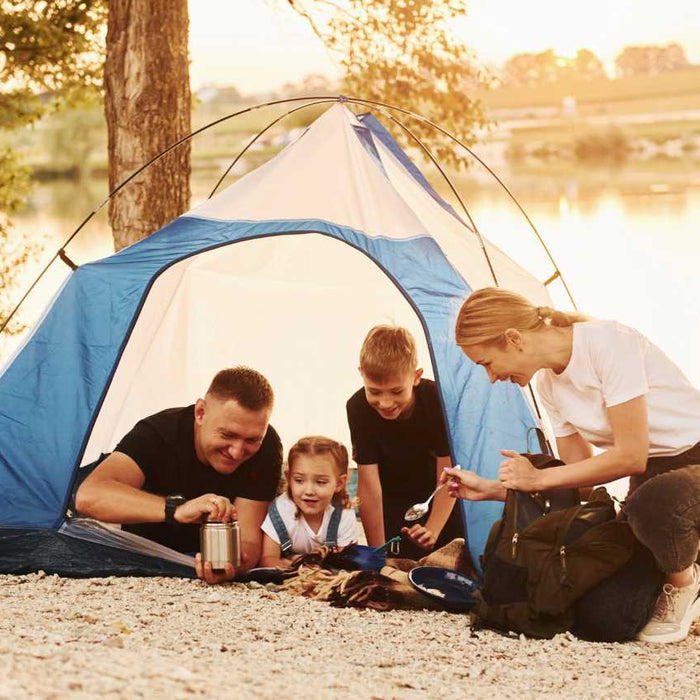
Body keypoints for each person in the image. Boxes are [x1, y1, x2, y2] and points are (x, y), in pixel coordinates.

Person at [446, 287, 700, 644]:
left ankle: (684, 583)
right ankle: (684, 551)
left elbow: (630, 455)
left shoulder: (609, 343)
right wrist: (494, 489)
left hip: (691, 464)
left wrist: (539, 476)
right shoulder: (549, 386)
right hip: (652, 484)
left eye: (487, 363)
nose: (491, 377)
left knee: (656, 503)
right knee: (604, 619)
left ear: (514, 338)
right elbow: (578, 483)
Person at [75, 366, 283, 585]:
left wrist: (234, 565)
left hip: (201, 560)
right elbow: (88, 496)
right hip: (145, 548)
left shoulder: (267, 446)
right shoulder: (158, 432)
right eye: (227, 435)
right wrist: (177, 510)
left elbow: (249, 541)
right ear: (200, 412)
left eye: (252, 440)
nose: (237, 452)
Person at [346, 325, 461, 560]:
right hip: (393, 498)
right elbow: (369, 487)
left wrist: (433, 529)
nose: (386, 403)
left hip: (439, 497)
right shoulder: (357, 407)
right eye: (374, 392)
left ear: (416, 377)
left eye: (396, 391)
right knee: (394, 557)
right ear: (361, 374)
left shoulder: (437, 400)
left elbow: (449, 474)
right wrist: (378, 554)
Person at [259, 436, 357, 568]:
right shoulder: (281, 510)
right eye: (299, 480)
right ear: (288, 478)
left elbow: (348, 563)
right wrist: (301, 568)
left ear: (339, 483)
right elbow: (268, 559)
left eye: (320, 482)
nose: (309, 491)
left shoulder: (343, 513)